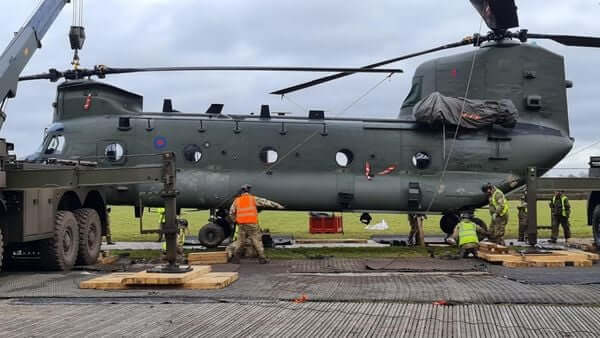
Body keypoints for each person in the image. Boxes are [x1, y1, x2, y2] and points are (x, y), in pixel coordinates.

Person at [230, 184, 284, 264]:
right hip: (252, 224)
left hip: (241, 224)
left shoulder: (237, 200)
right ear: (249, 191)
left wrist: (235, 220)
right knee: (256, 240)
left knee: (240, 241)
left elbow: (231, 212)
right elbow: (265, 202)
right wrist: (278, 206)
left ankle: (236, 258)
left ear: (241, 192)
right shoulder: (253, 199)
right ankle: (262, 258)